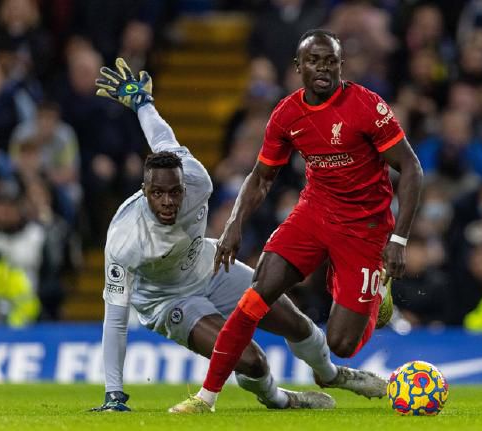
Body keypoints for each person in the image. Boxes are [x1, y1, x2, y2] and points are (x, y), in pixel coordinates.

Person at [90, 58, 388, 413]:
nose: (168, 202)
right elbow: (115, 318)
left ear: (185, 184)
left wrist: (143, 103)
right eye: (158, 194)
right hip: (168, 301)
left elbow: (162, 138)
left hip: (211, 266)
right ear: (145, 190)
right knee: (252, 361)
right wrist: (113, 393)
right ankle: (281, 399)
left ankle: (331, 374)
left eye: (175, 192)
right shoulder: (125, 239)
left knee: (296, 323)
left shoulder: (197, 179)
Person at [171, 29, 423, 413]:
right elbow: (261, 177)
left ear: (341, 65)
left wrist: (399, 240)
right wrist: (234, 224)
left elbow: (411, 168)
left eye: (330, 61)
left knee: (341, 344)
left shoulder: (366, 107)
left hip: (364, 228)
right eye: (313, 61)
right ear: (298, 67)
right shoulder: (288, 114)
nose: (322, 68)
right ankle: (206, 398)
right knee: (255, 296)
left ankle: (376, 293)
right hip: (314, 214)